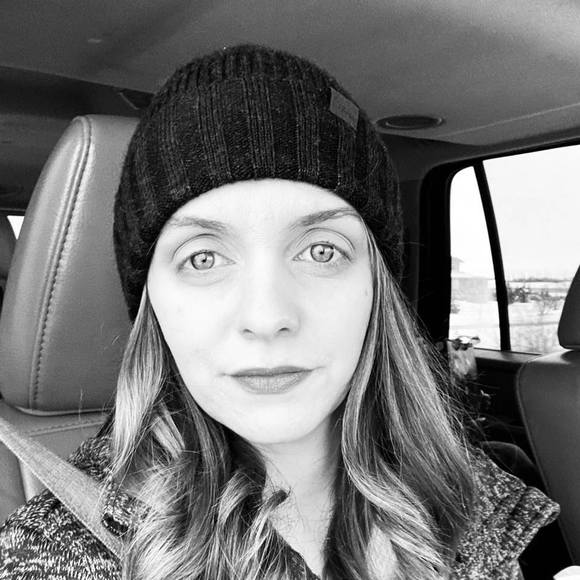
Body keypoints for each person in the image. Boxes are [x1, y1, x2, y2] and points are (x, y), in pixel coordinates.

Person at [0, 44, 559, 580]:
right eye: (203, 258)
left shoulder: (473, 498)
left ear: (376, 288)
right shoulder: (51, 556)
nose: (267, 317)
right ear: (153, 305)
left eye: (322, 252)